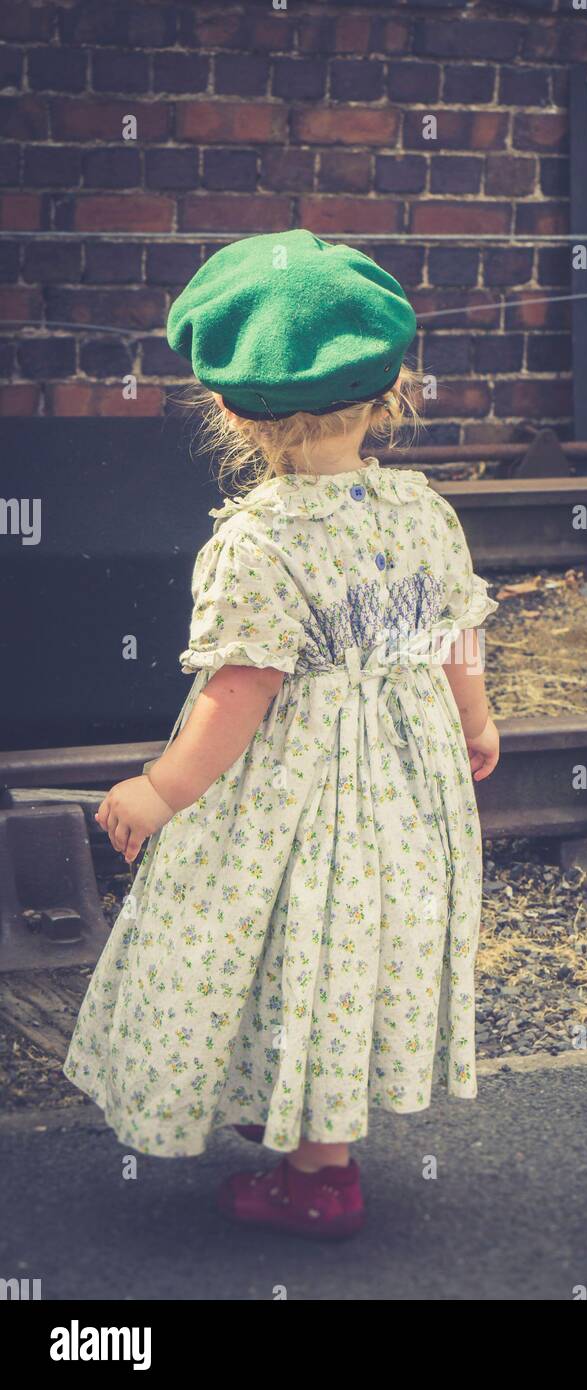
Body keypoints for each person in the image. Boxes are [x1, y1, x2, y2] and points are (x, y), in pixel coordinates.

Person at [62, 229, 500, 1240]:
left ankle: (318, 1177)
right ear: (386, 392)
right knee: (342, 946)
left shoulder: (257, 541)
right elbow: (456, 632)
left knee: (280, 928)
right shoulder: (420, 507)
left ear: (225, 405)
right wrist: (475, 720)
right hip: (405, 781)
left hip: (301, 794)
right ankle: (300, 1099)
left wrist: (162, 788)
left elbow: (241, 689)